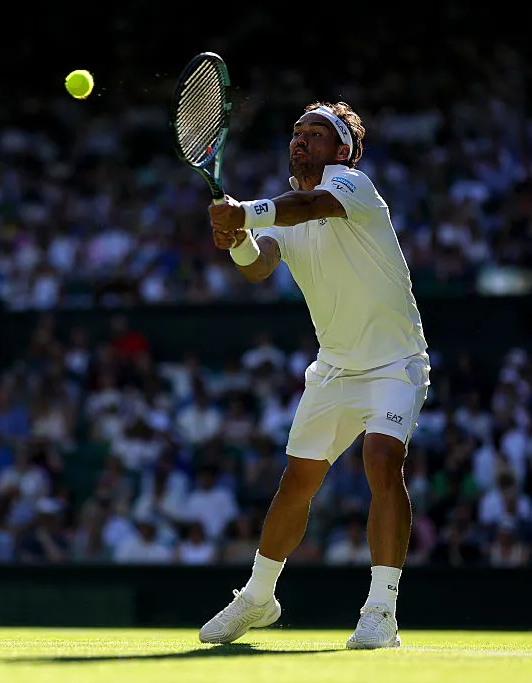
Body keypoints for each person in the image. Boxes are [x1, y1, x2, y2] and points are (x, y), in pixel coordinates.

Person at [200, 101, 430, 649]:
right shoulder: (284, 208)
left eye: (317, 133)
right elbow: (259, 265)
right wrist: (238, 242)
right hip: (334, 369)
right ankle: (258, 598)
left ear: (342, 150)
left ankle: (381, 612)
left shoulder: (352, 186)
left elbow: (305, 207)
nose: (301, 140)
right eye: (297, 133)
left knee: (382, 459)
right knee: (297, 482)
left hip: (396, 362)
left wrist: (244, 213)